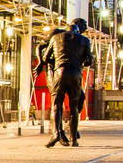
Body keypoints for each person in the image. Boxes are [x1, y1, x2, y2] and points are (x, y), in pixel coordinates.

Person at [36, 18, 93, 148]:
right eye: (83, 28)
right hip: (64, 73)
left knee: (60, 103)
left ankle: (65, 130)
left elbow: (46, 57)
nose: (84, 31)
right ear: (78, 26)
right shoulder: (60, 34)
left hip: (60, 72)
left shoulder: (56, 38)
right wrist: (41, 62)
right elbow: (89, 60)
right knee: (71, 105)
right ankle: (66, 135)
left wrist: (52, 61)